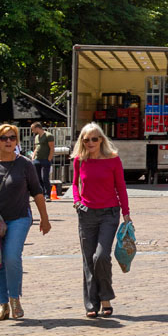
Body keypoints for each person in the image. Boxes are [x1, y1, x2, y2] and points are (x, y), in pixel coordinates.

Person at [0, 123, 51, 321]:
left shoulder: (25, 164)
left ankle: (14, 299)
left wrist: (44, 218)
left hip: (19, 217)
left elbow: (37, 192)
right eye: (4, 138)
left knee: (11, 257)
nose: (8, 141)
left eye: (12, 138)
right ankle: (2, 304)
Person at [72, 123, 130, 318]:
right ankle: (91, 304)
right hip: (86, 213)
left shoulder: (113, 160)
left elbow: (121, 186)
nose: (90, 143)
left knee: (101, 256)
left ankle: (105, 297)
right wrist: (77, 200)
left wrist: (126, 212)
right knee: (88, 260)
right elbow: (74, 184)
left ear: (101, 140)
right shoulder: (79, 161)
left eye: (94, 139)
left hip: (109, 213)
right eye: (86, 139)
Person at [30, 123, 55, 198]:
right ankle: (41, 194)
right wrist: (33, 157)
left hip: (45, 159)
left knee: (45, 178)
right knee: (38, 178)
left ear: (37, 128)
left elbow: (51, 147)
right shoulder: (36, 137)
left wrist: (49, 158)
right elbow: (36, 147)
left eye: (32, 129)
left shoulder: (48, 135)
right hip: (37, 159)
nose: (32, 131)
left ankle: (47, 195)